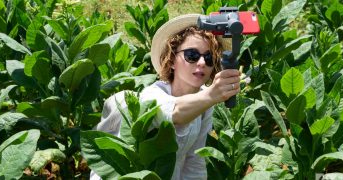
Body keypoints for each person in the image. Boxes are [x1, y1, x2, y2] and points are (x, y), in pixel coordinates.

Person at [91, 14, 240, 180]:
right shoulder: (152, 95)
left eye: (209, 57)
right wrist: (212, 95)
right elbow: (174, 114)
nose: (202, 63)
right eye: (192, 55)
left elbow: (194, 161)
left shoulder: (205, 106)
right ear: (172, 59)